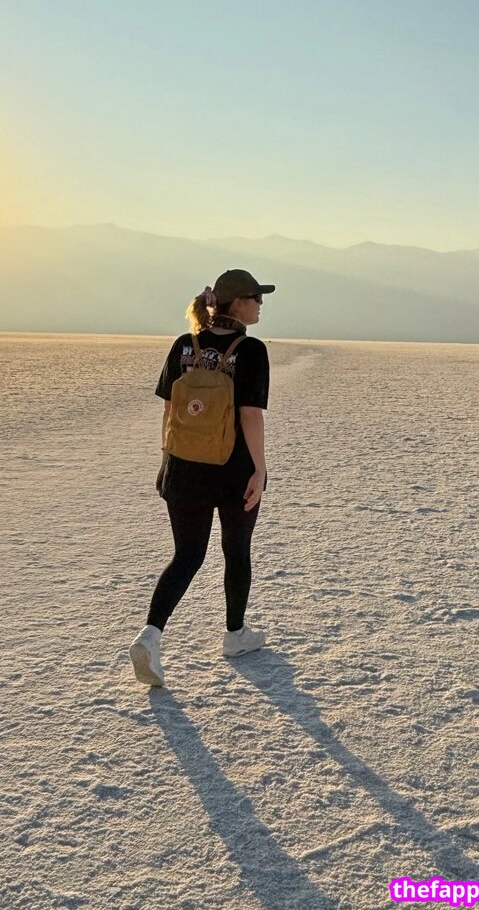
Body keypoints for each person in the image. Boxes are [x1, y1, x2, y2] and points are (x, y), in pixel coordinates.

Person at [129, 268, 276, 687]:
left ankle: (149, 636)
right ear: (238, 304)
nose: (260, 305)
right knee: (236, 550)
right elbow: (250, 416)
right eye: (256, 298)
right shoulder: (251, 350)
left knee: (187, 555)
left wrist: (166, 461)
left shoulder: (183, 345)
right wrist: (260, 468)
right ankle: (235, 635)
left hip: (184, 467)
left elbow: (169, 411)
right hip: (233, 470)